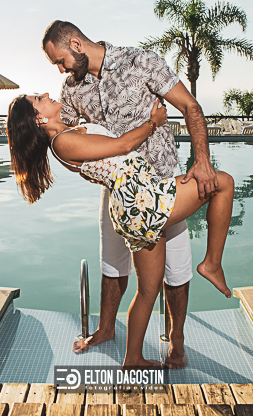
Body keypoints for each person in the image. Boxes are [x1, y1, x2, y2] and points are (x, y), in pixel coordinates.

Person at [7, 93, 234, 368]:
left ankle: (132, 359)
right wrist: (153, 122)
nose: (46, 95)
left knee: (148, 291)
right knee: (223, 183)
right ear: (38, 119)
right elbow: (123, 145)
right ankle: (212, 264)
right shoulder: (62, 142)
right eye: (38, 99)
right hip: (143, 199)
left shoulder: (66, 134)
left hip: (137, 202)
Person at [41, 20, 218, 368]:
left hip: (165, 183)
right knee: (112, 264)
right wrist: (90, 171)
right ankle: (107, 328)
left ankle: (176, 340)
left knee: (176, 270)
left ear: (76, 44)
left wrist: (202, 162)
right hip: (118, 193)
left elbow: (190, 107)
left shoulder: (141, 61)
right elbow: (69, 142)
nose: (61, 69)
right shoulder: (72, 89)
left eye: (60, 60)